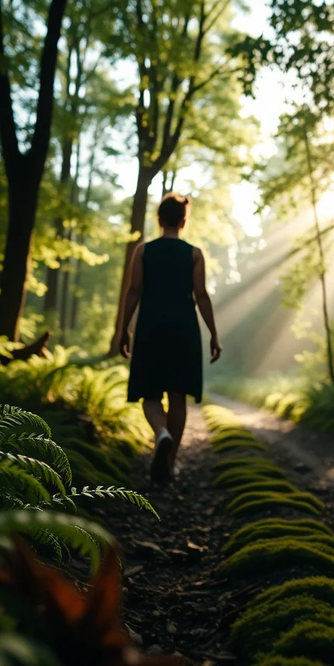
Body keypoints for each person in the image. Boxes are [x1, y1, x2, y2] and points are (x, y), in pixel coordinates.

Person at [118, 192, 222, 484]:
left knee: (150, 394)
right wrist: (214, 334)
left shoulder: (143, 251)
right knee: (177, 396)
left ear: (159, 219)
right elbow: (201, 295)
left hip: (150, 327)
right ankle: (171, 462)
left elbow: (134, 291)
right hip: (184, 330)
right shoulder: (194, 254)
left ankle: (160, 433)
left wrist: (123, 329)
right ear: (184, 221)